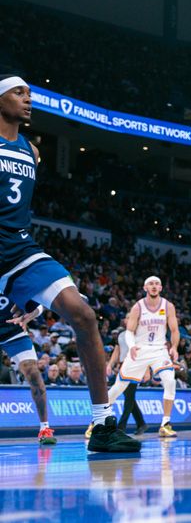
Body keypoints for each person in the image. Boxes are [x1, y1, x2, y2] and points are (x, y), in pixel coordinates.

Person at [0, 75, 139, 452]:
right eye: (18, 92)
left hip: (19, 250)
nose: (28, 99)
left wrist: (25, 293)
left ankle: (102, 425)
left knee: (83, 314)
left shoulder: (32, 150)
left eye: (29, 93)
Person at [87, 276, 179, 438]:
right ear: (145, 288)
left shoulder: (168, 306)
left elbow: (174, 330)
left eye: (157, 283)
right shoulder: (138, 307)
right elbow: (129, 331)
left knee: (170, 381)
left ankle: (165, 424)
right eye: (150, 283)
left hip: (159, 349)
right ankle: (95, 422)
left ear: (161, 287)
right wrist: (132, 346)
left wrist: (175, 348)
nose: (154, 286)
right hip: (139, 349)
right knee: (118, 387)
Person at [1, 299, 54, 443]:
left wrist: (29, 316)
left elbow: (40, 304)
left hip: (14, 332)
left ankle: (45, 428)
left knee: (33, 373)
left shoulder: (11, 278)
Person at [105, 322, 148, 435]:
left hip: (136, 366)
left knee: (129, 396)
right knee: (129, 396)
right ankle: (141, 423)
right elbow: (117, 350)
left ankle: (121, 427)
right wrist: (110, 364)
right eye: (128, 318)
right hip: (123, 366)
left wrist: (147, 370)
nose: (129, 319)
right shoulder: (121, 334)